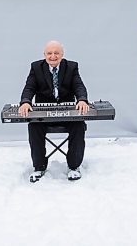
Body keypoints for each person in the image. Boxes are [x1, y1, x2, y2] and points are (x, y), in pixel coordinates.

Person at [18, 40, 89, 182]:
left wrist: (82, 99)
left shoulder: (72, 67)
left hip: (66, 113)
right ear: (44, 55)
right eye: (49, 53)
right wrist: (25, 102)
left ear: (62, 55)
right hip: (43, 115)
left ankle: (74, 167)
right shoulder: (36, 67)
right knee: (33, 125)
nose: (53, 56)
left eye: (56, 53)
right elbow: (29, 87)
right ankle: (39, 167)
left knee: (79, 124)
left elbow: (79, 85)